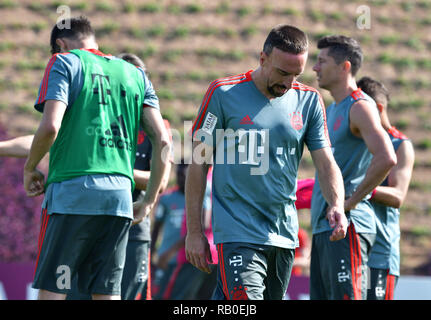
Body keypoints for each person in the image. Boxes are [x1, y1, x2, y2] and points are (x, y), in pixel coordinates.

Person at [185, 24, 347, 300]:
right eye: (283, 73)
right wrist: (194, 232)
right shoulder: (223, 94)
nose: (288, 82)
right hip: (236, 232)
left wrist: (337, 205)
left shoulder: (308, 101)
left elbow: (326, 162)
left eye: (296, 75)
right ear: (263, 59)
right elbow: (198, 164)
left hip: (283, 235)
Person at [23, 16, 170, 300]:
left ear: (59, 45)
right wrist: (148, 201)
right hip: (119, 201)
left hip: (73, 195)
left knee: (55, 289)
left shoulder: (63, 62)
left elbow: (50, 126)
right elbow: (163, 140)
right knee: (106, 293)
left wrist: (30, 168)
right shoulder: (135, 74)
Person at [310, 35, 397, 300]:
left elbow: (386, 157)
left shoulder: (360, 106)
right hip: (324, 228)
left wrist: (351, 201)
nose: (315, 68)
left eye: (322, 61)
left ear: (344, 66)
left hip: (347, 227)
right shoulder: (332, 108)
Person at [357, 76, 415, 300]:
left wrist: (359, 189)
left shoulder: (400, 145)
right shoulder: (356, 141)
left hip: (379, 255)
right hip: (350, 249)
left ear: (378, 108)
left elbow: (398, 196)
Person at [150, 162, 188, 299]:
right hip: (165, 259)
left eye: (184, 175)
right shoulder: (166, 198)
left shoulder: (199, 198)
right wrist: (152, 253)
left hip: (187, 260)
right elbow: (156, 228)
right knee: (159, 295)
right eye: (178, 174)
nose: (181, 178)